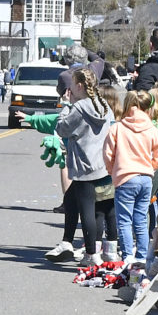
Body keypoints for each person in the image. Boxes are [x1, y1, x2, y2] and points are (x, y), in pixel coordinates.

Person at [53, 69, 114, 267]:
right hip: (103, 163)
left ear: (79, 86)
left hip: (84, 166)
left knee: (88, 210)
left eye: (71, 84)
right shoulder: (104, 104)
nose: (68, 89)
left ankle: (91, 253)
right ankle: (68, 242)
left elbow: (62, 128)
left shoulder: (78, 108)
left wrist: (65, 106)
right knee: (77, 202)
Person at [106, 84, 158, 267]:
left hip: (125, 177)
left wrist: (113, 171)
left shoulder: (117, 128)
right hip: (146, 177)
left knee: (124, 219)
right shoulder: (152, 129)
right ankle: (142, 256)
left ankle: (127, 256)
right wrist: (151, 167)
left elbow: (108, 154)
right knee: (141, 219)